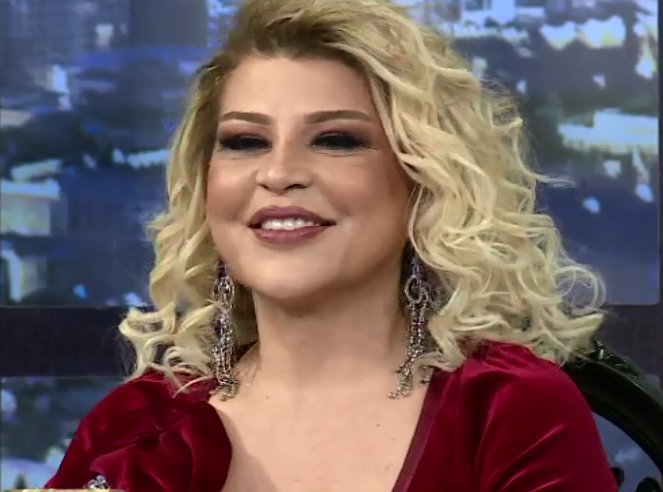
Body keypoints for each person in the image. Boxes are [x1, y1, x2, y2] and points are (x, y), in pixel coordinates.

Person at [46, 0, 620, 490]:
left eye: (336, 140)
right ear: (205, 183)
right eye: (245, 141)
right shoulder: (133, 428)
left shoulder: (506, 410)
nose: (279, 173)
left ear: (422, 182)